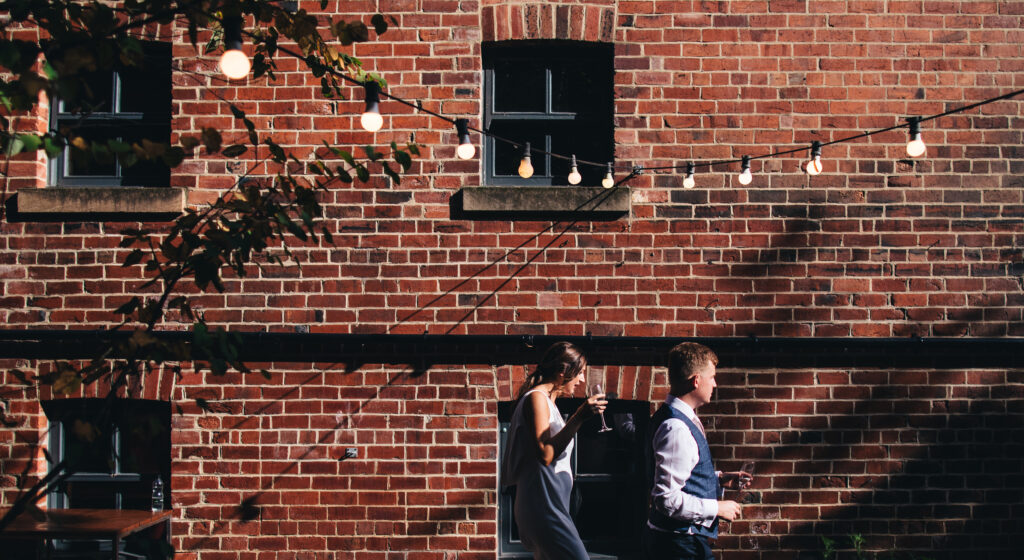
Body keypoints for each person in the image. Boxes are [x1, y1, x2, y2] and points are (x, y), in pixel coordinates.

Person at [643, 342, 753, 560]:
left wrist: (717, 479)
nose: (715, 383)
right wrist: (717, 508)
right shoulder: (676, 427)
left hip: (680, 541)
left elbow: (680, 474)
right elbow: (666, 499)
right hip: (678, 545)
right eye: (711, 377)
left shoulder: (677, 417)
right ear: (696, 380)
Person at [500, 341, 607, 560]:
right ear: (563, 371)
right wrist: (579, 417)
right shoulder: (536, 399)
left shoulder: (548, 402)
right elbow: (545, 454)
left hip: (552, 504)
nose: (582, 380)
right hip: (543, 506)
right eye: (580, 373)